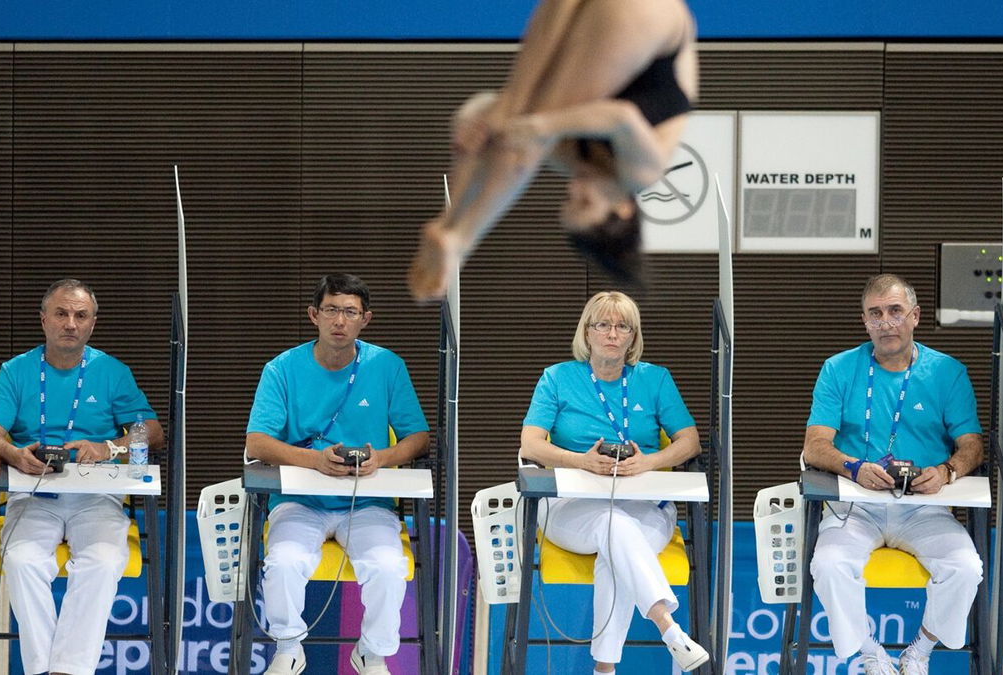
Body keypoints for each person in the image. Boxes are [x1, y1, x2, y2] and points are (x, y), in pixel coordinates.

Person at [409, 0, 699, 300]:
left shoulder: (573, 157)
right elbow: (622, 117)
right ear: (623, 209)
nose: (575, 186)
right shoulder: (640, 175)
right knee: (529, 126)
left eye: (568, 197)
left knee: (510, 113)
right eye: (584, 201)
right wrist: (543, 127)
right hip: (651, 18)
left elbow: (494, 121)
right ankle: (461, 236)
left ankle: (450, 219)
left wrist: (467, 124)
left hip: (615, 21)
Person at [0, 279, 165, 675]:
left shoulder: (112, 371)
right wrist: (12, 451)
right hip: (34, 491)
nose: (70, 323)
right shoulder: (16, 371)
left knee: (104, 560)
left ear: (92, 324)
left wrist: (110, 447)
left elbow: (153, 431)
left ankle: (64, 671)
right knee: (21, 560)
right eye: (61, 314)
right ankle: (48, 670)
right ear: (44, 319)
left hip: (97, 495)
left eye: (81, 316)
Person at [246, 274, 431, 675]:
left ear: (366, 319)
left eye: (350, 312)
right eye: (331, 310)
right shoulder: (282, 369)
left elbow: (419, 437)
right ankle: (289, 647)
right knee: (283, 563)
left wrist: (383, 457)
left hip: (366, 503)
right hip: (298, 501)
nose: (340, 321)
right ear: (314, 315)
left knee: (388, 566)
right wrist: (313, 460)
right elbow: (257, 442)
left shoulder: (386, 366)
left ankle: (372, 652)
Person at [803, 274, 985, 675]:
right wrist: (854, 467)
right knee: (829, 566)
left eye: (895, 311)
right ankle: (871, 654)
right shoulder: (838, 369)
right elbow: (815, 445)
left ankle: (919, 650)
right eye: (875, 313)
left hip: (924, 507)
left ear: (915, 316)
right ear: (865, 321)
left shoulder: (947, 372)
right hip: (855, 504)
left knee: (967, 568)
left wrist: (946, 471)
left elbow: (972, 445)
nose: (885, 322)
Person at [519, 290, 709, 673]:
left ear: (633, 337)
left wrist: (650, 462)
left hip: (645, 505)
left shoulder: (655, 379)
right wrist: (582, 461)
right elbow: (531, 443)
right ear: (587, 332)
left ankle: (604, 669)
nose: (612, 333)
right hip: (570, 508)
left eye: (623, 326)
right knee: (615, 527)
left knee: (616, 547)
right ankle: (669, 629)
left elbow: (690, 441)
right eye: (603, 324)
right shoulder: (557, 378)